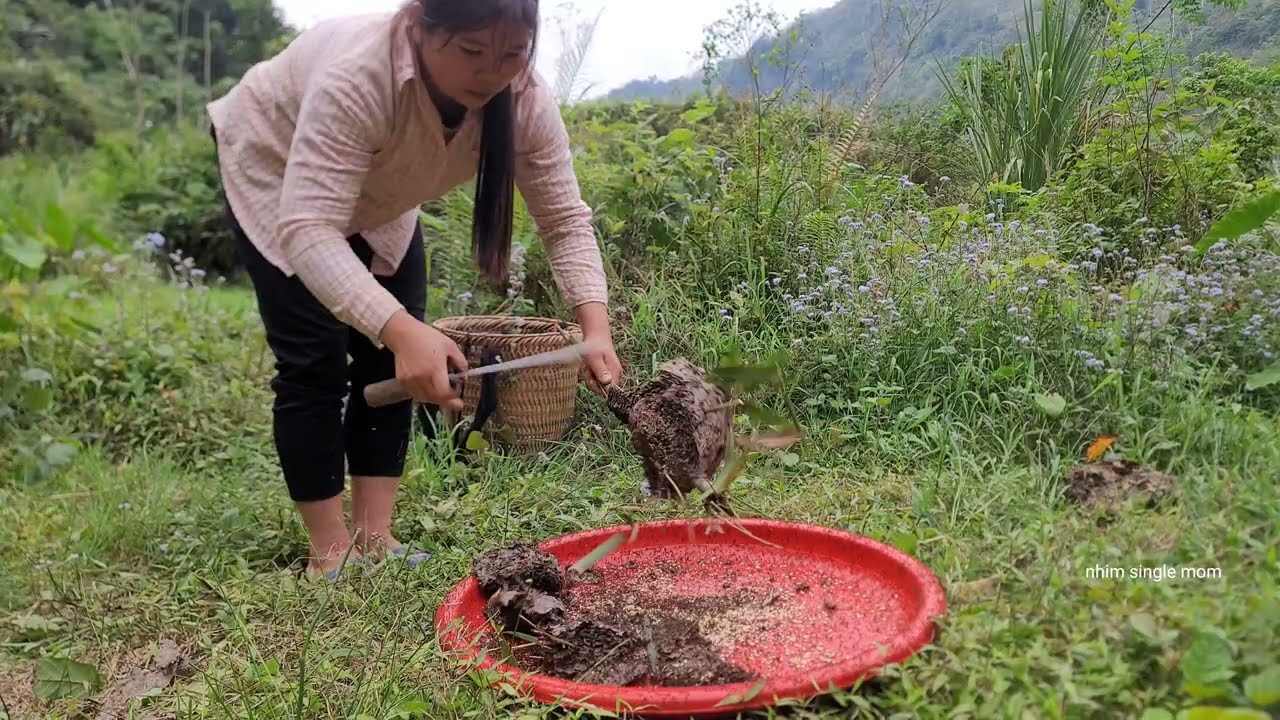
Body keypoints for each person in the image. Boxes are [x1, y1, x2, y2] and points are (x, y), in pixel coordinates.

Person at [205, 0, 623, 580]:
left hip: (383, 198)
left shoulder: (524, 98)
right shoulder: (360, 75)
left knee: (391, 362)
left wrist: (593, 328)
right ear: (419, 26)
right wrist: (402, 329)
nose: (492, 71)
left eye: (512, 52)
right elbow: (307, 229)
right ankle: (329, 550)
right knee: (315, 362)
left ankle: (375, 536)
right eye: (473, 51)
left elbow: (564, 220)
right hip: (277, 178)